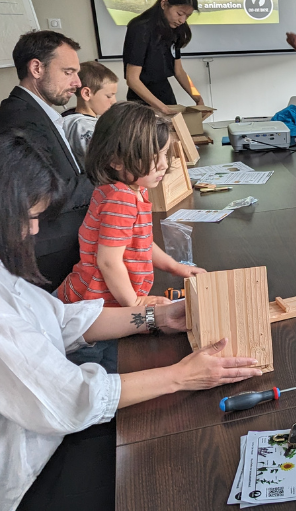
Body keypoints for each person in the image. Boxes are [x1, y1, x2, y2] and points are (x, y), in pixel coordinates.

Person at [0, 131, 261, 510]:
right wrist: (181, 376)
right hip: (31, 474)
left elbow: (63, 319)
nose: (36, 230)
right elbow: (71, 397)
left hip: (51, 433)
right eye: (31, 216)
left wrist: (155, 317)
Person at [60, 102, 205, 308]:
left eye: (164, 154)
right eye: (154, 157)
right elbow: (108, 262)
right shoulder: (121, 199)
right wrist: (135, 303)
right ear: (116, 161)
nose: (164, 164)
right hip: (96, 302)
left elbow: (141, 242)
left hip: (107, 295)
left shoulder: (131, 189)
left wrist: (174, 267)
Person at [0, 30, 94, 291]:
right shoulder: (19, 118)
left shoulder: (35, 112)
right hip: (51, 259)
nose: (77, 82)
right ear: (37, 68)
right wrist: (108, 174)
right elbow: (50, 195)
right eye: (68, 72)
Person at [123, 0, 204, 115]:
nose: (182, 20)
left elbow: (179, 72)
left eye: (187, 16)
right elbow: (132, 79)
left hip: (165, 95)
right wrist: (162, 108)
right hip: (142, 101)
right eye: (179, 13)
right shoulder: (140, 28)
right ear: (164, 4)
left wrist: (198, 97)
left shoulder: (176, 30)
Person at [61, 61, 119, 168]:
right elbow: (103, 161)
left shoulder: (68, 118)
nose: (114, 101)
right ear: (87, 94)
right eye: (109, 96)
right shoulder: (83, 127)